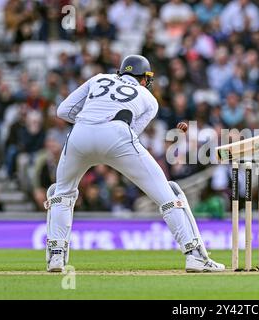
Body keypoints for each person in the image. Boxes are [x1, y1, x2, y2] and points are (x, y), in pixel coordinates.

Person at [44, 54, 225, 273]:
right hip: (117, 135)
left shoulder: (98, 78)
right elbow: (133, 132)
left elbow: (63, 111)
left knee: (61, 193)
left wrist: (92, 119)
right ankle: (195, 255)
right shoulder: (148, 98)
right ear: (144, 78)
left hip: (80, 132)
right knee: (169, 194)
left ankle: (56, 256)